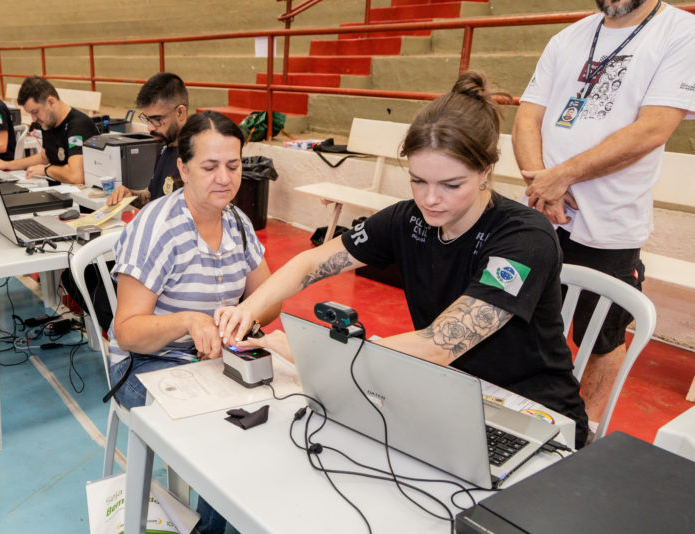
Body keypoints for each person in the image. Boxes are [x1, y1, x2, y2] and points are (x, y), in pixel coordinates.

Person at [217, 72, 590, 447]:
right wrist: (248, 309)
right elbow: (311, 263)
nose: (430, 199)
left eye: (451, 185)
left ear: (485, 172)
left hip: (533, 415)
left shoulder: (524, 239)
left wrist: (316, 355)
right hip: (446, 395)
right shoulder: (408, 219)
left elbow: (439, 344)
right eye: (418, 180)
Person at [511, 0, 695, 432]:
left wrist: (560, 177)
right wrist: (540, 182)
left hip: (609, 225)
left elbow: (652, 129)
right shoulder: (568, 38)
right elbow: (528, 116)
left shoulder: (681, 33)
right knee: (518, 319)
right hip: (541, 213)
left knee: (602, 336)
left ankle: (582, 433)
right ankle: (514, 416)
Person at [108, 110, 280, 534]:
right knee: (225, 425)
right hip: (145, 363)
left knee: (284, 402)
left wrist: (244, 311)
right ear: (182, 169)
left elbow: (272, 297)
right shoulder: (157, 228)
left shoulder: (239, 223)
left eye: (234, 164)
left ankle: (222, 506)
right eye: (209, 167)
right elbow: (128, 331)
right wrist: (188, 320)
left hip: (211, 359)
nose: (225, 178)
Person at [0, 76, 98, 184]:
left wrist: (46, 170)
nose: (33, 119)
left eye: (35, 112)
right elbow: (44, 157)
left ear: (51, 102)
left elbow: (76, 176)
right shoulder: (48, 122)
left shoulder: (78, 126)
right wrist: (7, 164)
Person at [106, 72, 189, 207]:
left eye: (157, 119)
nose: (149, 128)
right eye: (148, 119)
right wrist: (130, 195)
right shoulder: (164, 146)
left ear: (180, 113)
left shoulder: (197, 157)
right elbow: (153, 196)